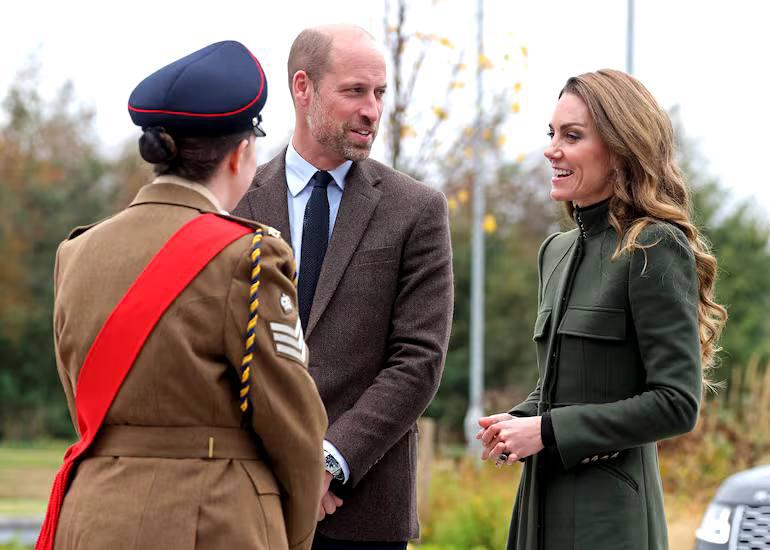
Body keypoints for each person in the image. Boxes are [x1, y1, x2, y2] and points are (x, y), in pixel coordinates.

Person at [39, 41, 327, 550]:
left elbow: (87, 406)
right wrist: (295, 536)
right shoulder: (250, 256)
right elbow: (295, 429)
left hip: (90, 520)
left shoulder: (77, 252)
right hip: (213, 522)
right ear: (241, 154)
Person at [476, 69, 727, 550]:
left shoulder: (653, 245)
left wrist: (547, 431)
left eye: (572, 136)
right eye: (552, 134)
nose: (553, 149)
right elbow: (564, 381)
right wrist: (518, 421)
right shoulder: (555, 250)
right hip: (537, 509)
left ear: (620, 148)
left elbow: (677, 403)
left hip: (609, 518)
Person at [234, 24, 453, 550]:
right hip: (247, 501)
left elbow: (419, 359)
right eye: (355, 91)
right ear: (302, 87)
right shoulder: (235, 204)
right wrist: (287, 465)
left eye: (379, 94)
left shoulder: (417, 210)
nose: (372, 110)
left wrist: (330, 463)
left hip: (364, 510)